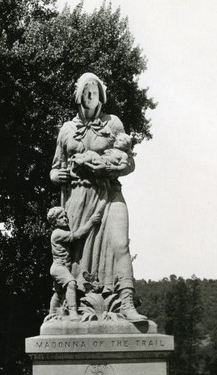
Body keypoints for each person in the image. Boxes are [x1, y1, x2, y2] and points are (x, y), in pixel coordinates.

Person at [50, 73, 146, 322]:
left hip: (109, 191)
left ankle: (126, 302)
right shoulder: (67, 130)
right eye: (86, 91)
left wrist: (111, 169)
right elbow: (55, 167)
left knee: (120, 244)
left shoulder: (113, 123)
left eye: (94, 91)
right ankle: (72, 308)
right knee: (77, 259)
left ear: (101, 95)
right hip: (78, 198)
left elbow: (129, 162)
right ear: (79, 95)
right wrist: (56, 175)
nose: (90, 95)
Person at [48, 205, 103, 319]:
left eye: (65, 216)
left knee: (58, 293)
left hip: (62, 267)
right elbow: (77, 235)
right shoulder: (57, 233)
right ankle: (73, 312)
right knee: (71, 283)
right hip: (59, 267)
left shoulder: (61, 231)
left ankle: (52, 315)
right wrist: (91, 222)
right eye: (61, 217)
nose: (65, 219)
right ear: (54, 222)